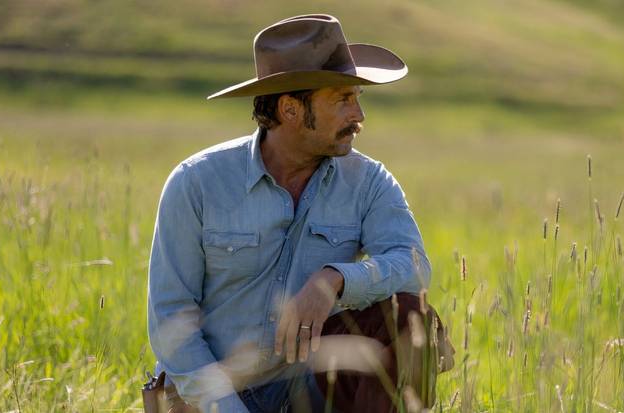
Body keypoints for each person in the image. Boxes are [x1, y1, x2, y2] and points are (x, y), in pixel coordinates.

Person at [147, 14, 452, 413]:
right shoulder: (196, 183)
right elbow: (172, 319)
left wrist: (335, 279)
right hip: (208, 397)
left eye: (357, 97)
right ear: (290, 110)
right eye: (343, 100)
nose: (359, 115)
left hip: (307, 387)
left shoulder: (369, 181)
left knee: (412, 319)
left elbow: (413, 266)